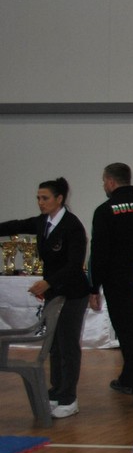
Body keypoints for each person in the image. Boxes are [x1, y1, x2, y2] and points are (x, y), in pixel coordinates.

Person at [0, 177, 89, 418]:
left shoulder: (72, 226)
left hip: (73, 294)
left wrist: (48, 282)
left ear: (59, 199)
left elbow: (74, 265)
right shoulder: (43, 222)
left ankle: (69, 398)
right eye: (38, 198)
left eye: (45, 198)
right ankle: (56, 392)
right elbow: (16, 225)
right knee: (54, 345)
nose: (40, 202)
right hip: (54, 293)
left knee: (68, 345)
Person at [89, 162, 133, 408]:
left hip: (119, 284)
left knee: (128, 335)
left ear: (110, 182)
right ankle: (128, 379)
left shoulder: (105, 211)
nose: (104, 185)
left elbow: (98, 252)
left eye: (104, 181)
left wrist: (93, 286)